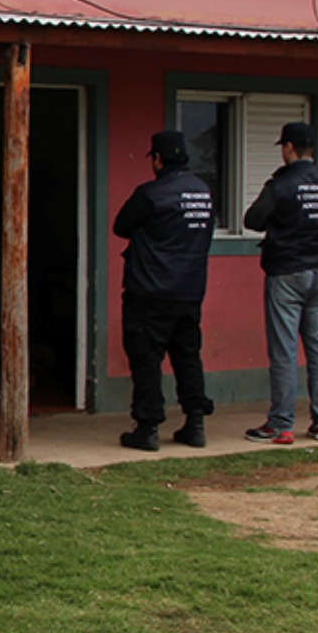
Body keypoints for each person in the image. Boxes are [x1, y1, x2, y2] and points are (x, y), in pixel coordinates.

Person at [242, 122, 318, 444]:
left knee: (284, 349)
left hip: (287, 272)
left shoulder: (282, 185)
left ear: (288, 147)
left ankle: (281, 424)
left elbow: (252, 220)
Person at [113, 130, 215, 451]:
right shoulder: (203, 192)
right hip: (189, 290)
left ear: (157, 159)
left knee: (146, 358)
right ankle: (195, 423)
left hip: (150, 290)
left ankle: (148, 427)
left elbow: (120, 226)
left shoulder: (151, 193)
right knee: (187, 356)